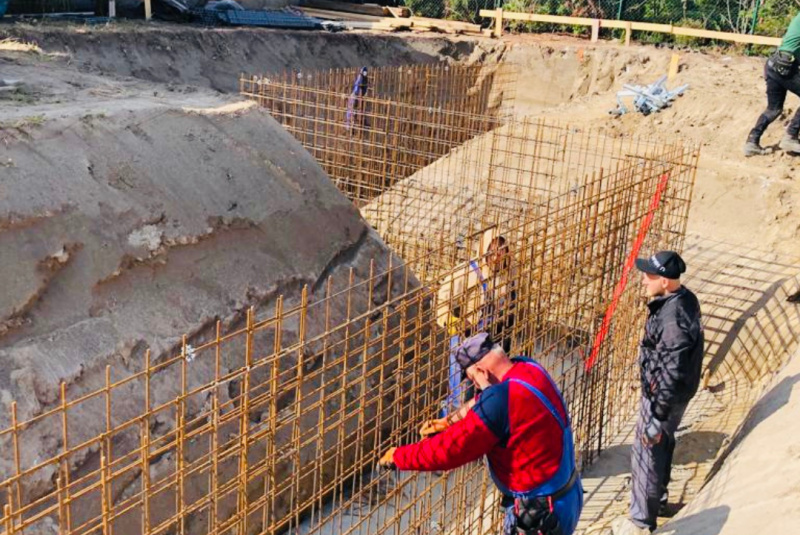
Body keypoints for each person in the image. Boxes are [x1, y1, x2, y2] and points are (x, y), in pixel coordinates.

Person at [378, 333, 583, 535]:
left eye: (472, 378)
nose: (474, 385)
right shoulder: (527, 367)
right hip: (568, 494)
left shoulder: (499, 401)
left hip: (539, 514)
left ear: (481, 371)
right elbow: (486, 400)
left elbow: (450, 450)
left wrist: (399, 456)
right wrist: (450, 420)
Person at [611, 251, 704, 535]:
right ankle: (659, 502)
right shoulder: (683, 298)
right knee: (662, 444)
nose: (642, 280)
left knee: (646, 453)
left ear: (664, 281)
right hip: (676, 392)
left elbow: (672, 368)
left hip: (663, 396)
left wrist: (657, 412)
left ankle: (641, 521)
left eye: (648, 276)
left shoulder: (671, 318)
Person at [744, 13, 800, 156]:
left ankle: (752, 142)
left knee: (774, 109)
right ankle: (791, 136)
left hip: (773, 64)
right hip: (786, 66)